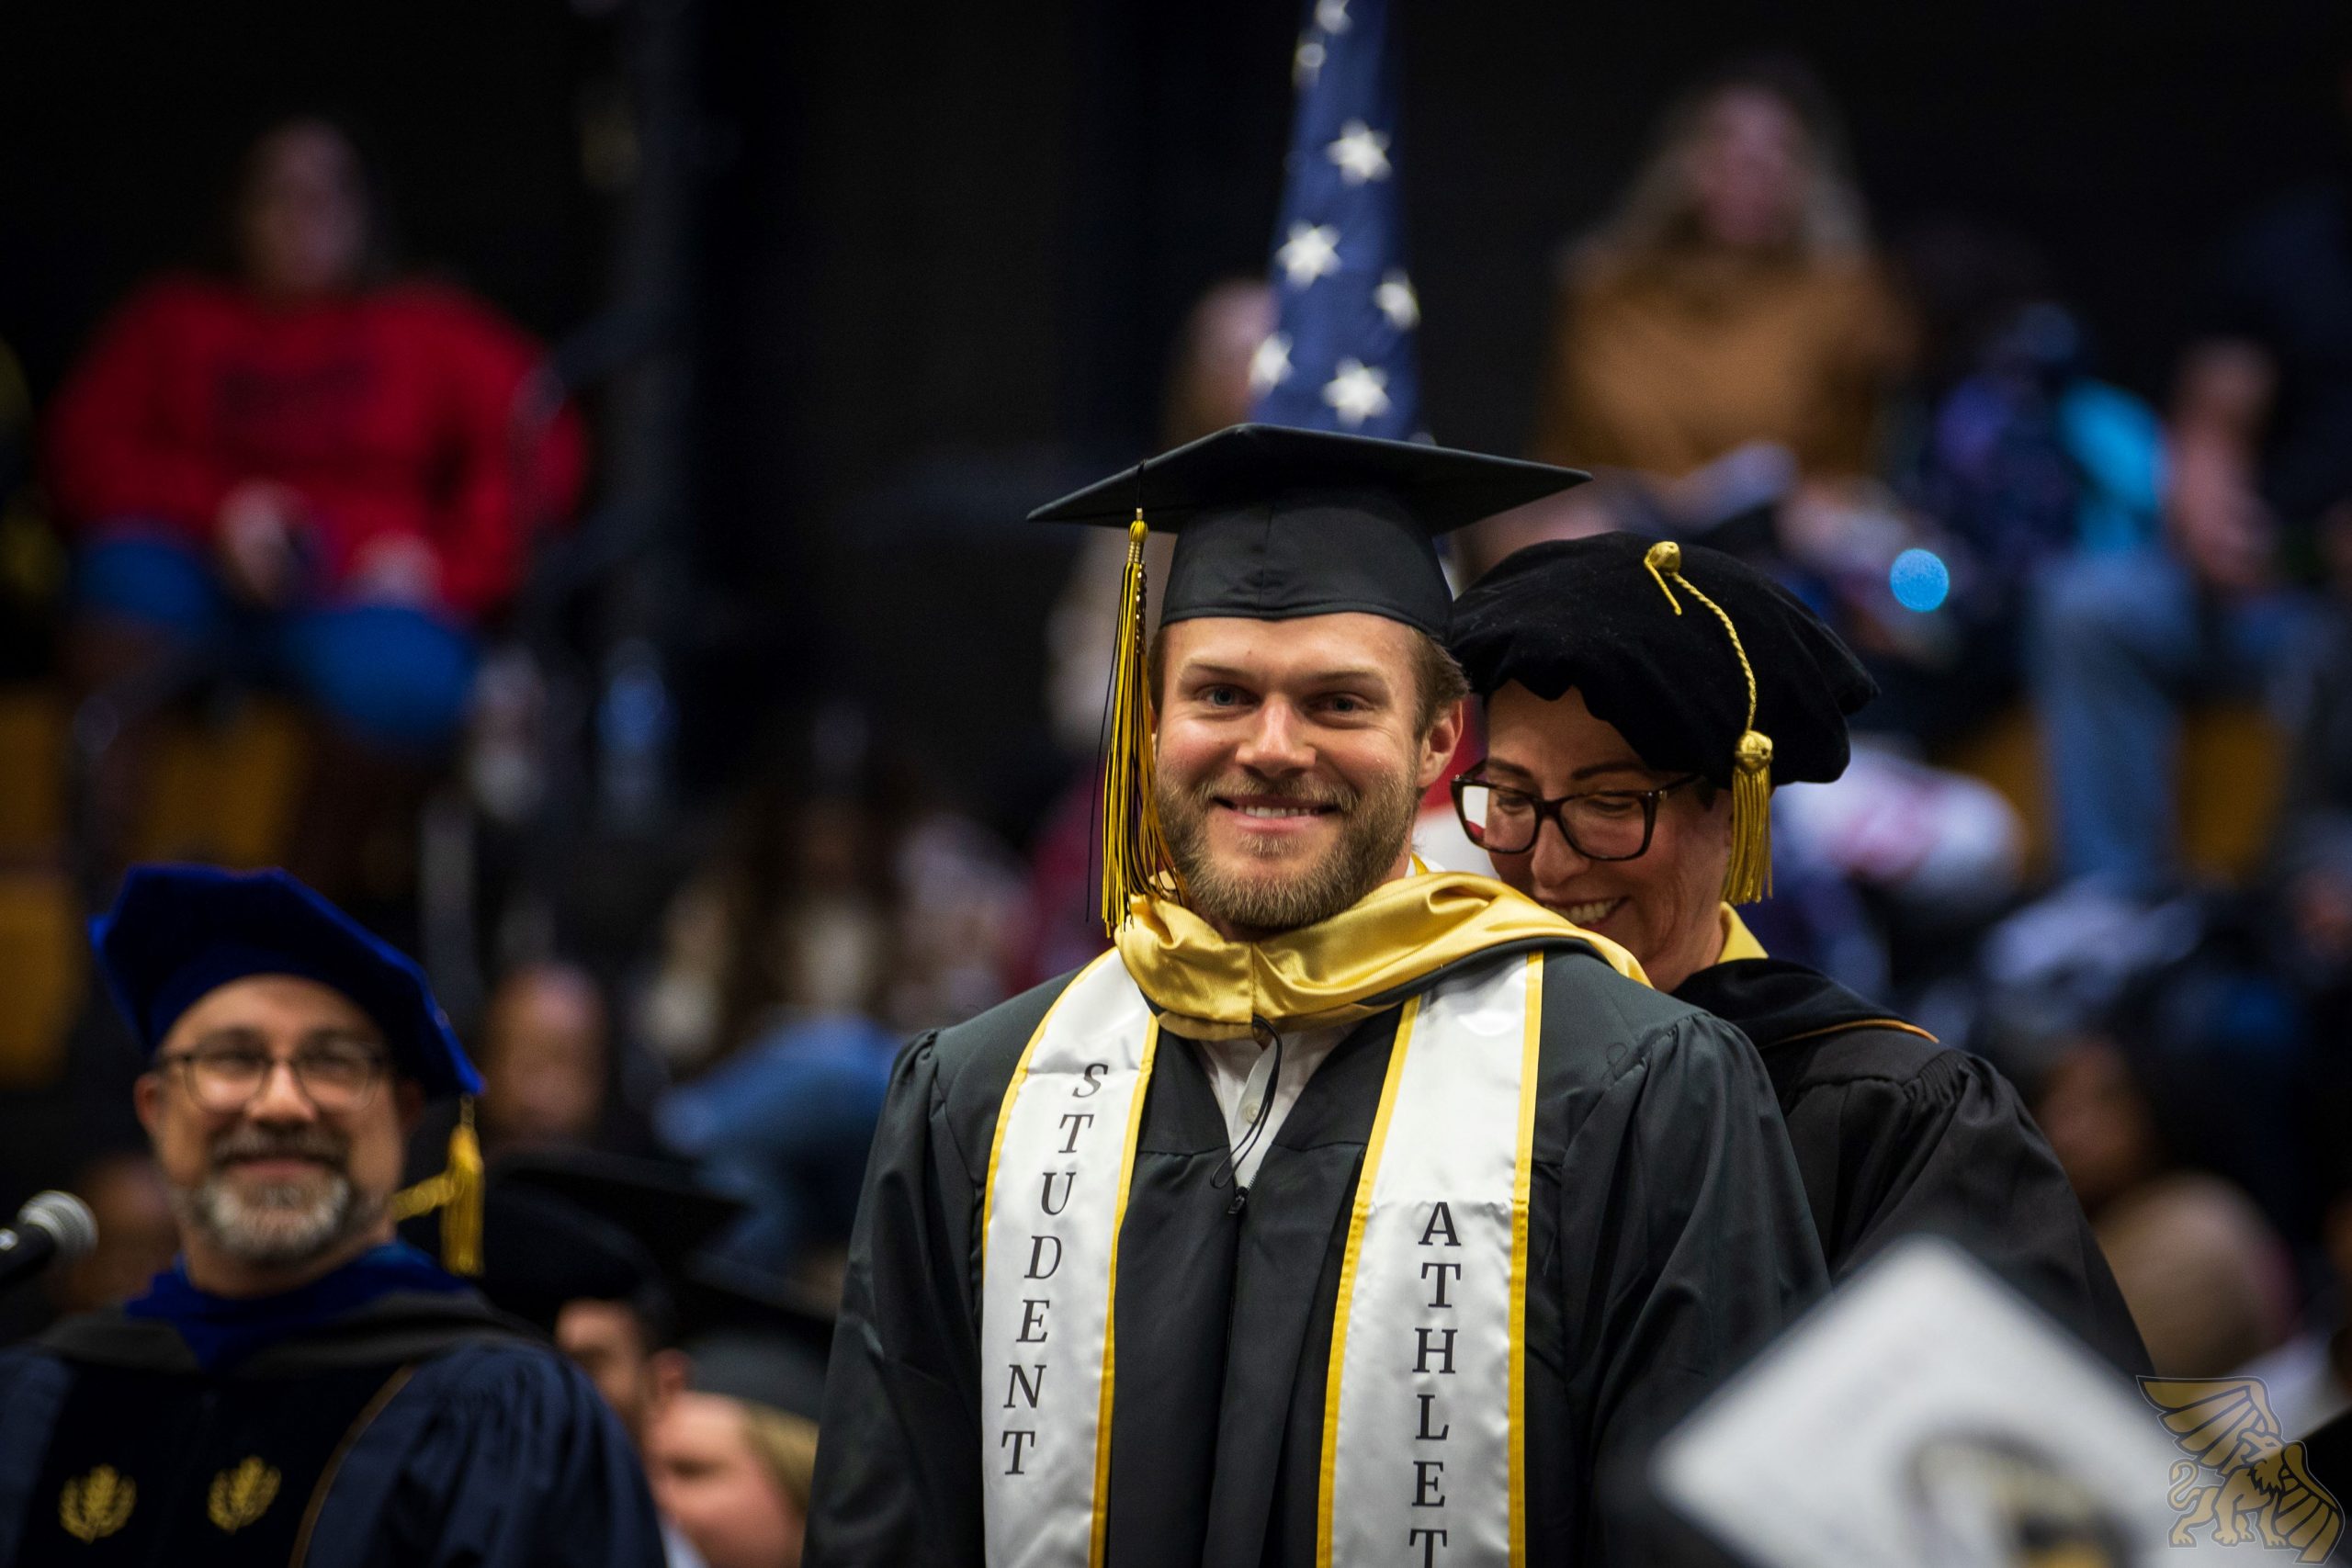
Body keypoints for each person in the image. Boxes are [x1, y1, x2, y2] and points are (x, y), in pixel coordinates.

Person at [808, 424, 1826, 1565]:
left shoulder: (1627, 1082)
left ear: (1440, 738)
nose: (1271, 746)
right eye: (1222, 695)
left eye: (1337, 702)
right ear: (1150, 726)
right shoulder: (983, 1097)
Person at [1447, 533, 2147, 1375]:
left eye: (1608, 802)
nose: (1548, 865)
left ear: (1738, 816)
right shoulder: (1444, 1068)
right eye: (1514, 798)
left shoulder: (1885, 1116)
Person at [0, 863, 663, 1565]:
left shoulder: (503, 1414)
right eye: (232, 1058)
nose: (281, 1103)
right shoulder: (36, 1402)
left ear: (406, 1114)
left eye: (333, 1062)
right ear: (156, 1110)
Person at [47, 118, 584, 888]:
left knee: (408, 677)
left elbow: (544, 432)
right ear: (238, 212)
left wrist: (446, 566)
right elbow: (80, 450)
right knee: (118, 572)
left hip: (353, 595)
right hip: (202, 576)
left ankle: (289, 924)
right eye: (278, 195)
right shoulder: (176, 318)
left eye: (329, 195)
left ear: (368, 214)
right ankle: (99, 891)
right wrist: (217, 513)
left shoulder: (423, 325)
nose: (304, 217)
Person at [1492, 56, 1909, 570]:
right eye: (1726, 142)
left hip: (1786, 551)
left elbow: (1858, 464)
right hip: (1619, 535)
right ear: (1683, 159)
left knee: (1889, 566)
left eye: (1778, 149)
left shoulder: (1846, 297)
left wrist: (1820, 506)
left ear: (1808, 174)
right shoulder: (1605, 288)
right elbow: (1564, 455)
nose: (1750, 165)